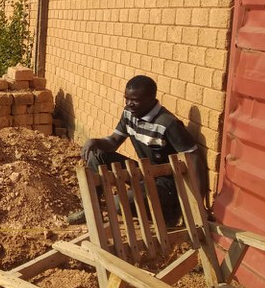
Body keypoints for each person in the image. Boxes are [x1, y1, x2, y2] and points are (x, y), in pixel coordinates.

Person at [67, 75, 209, 227]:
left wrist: (198, 205)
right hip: (145, 172)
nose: (129, 104)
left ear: (151, 99)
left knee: (118, 203)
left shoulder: (168, 124)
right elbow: (114, 142)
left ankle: (169, 215)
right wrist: (95, 141)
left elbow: (195, 160)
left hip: (167, 185)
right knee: (98, 154)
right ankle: (89, 211)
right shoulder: (129, 114)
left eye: (135, 100)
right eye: (126, 99)